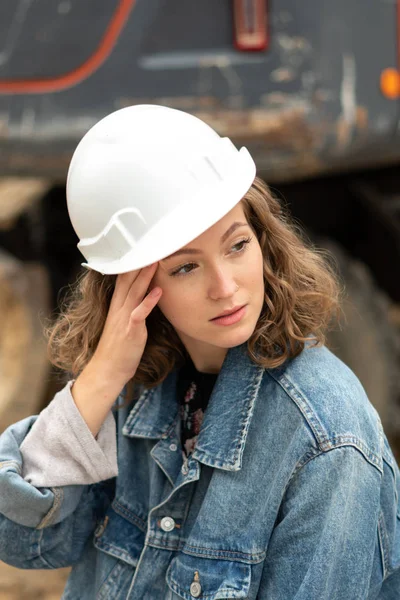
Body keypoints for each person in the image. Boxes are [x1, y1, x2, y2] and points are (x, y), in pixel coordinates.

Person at [0, 104, 399, 600]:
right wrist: (99, 380)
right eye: (186, 267)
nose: (227, 287)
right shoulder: (130, 394)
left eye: (236, 246)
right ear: (133, 286)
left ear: (263, 240)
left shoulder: (327, 436)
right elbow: (25, 544)